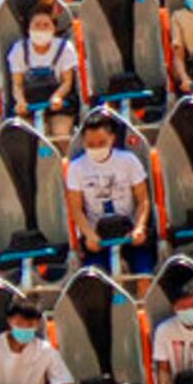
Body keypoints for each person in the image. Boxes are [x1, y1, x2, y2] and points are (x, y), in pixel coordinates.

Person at [65, 109, 151, 269]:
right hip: (98, 235)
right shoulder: (76, 168)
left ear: (112, 139)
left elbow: (143, 199)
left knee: (144, 274)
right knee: (95, 281)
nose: (96, 148)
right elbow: (75, 208)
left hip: (128, 231)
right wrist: (89, 235)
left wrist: (139, 227)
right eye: (90, 144)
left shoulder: (128, 161)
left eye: (101, 143)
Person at [10, 0, 78, 140]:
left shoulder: (64, 48)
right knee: (27, 134)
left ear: (53, 29)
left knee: (60, 131)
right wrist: (20, 101)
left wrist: (58, 96)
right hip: (30, 100)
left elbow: (67, 81)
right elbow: (17, 83)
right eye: (37, 25)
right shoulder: (19, 50)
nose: (41, 29)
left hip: (58, 100)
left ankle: (62, 157)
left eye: (45, 25)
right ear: (29, 29)